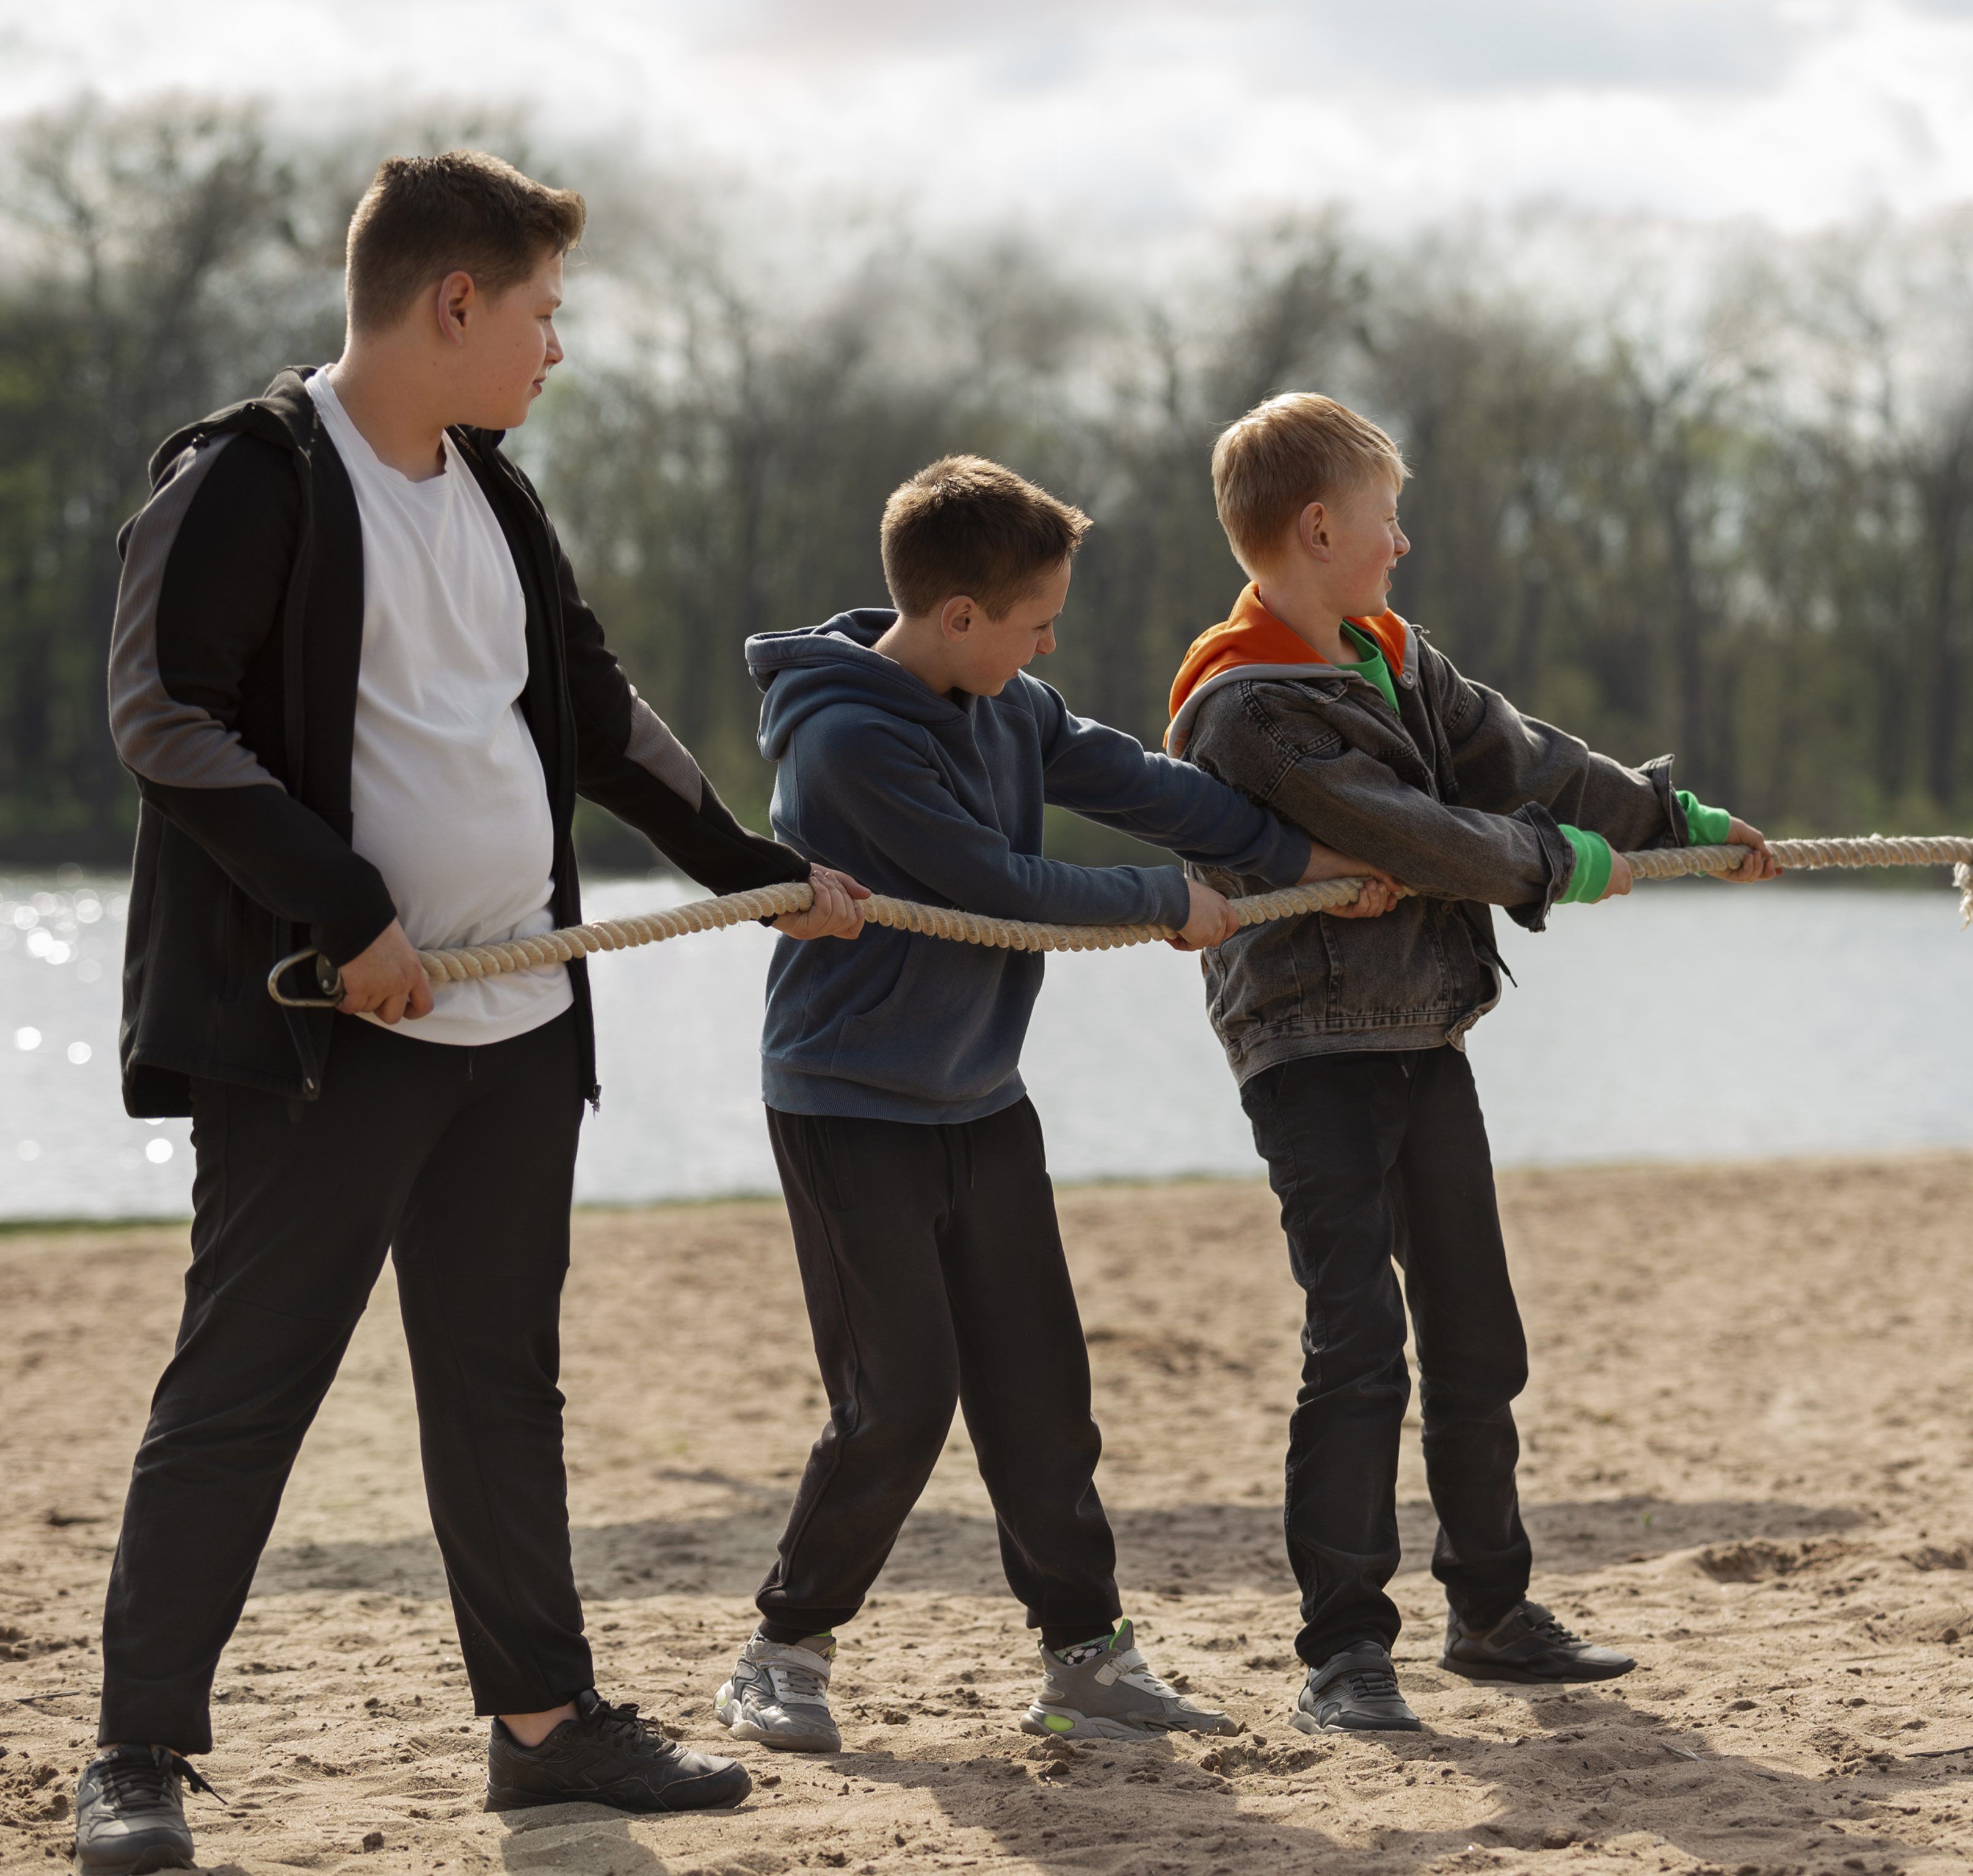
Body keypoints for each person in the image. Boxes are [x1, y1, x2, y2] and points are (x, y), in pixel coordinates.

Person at [76, 151, 867, 1872]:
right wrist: (345, 909)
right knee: (244, 1385)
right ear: (454, 303)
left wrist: (750, 861)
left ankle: (542, 1729)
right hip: (319, 1032)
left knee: (501, 1388)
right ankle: (136, 1753)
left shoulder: (496, 493)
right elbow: (165, 719)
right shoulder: (249, 477)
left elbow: (595, 709)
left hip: (512, 1036)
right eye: (541, 315)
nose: (552, 351)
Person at [710, 456, 1378, 1753]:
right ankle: (782, 1651)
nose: (1049, 642)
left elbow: (1136, 781)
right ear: (959, 617)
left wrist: (1300, 860)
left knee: (1041, 1393)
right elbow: (999, 885)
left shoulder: (1008, 701)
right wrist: (1166, 903)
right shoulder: (847, 742)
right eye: (1034, 622)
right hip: (852, 1108)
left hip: (980, 1102)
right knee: (898, 1397)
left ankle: (1085, 1661)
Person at [1165, 393, 1779, 1735]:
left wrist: (1666, 814)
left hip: (1424, 1035)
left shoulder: (1391, 650)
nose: (1405, 543)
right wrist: (1567, 867)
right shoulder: (1246, 707)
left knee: (1476, 1333)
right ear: (1320, 528)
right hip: (1311, 1049)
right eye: (1388, 521)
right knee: (1359, 1344)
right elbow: (1419, 835)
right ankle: (1343, 1648)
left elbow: (1521, 757)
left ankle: (1491, 1610)